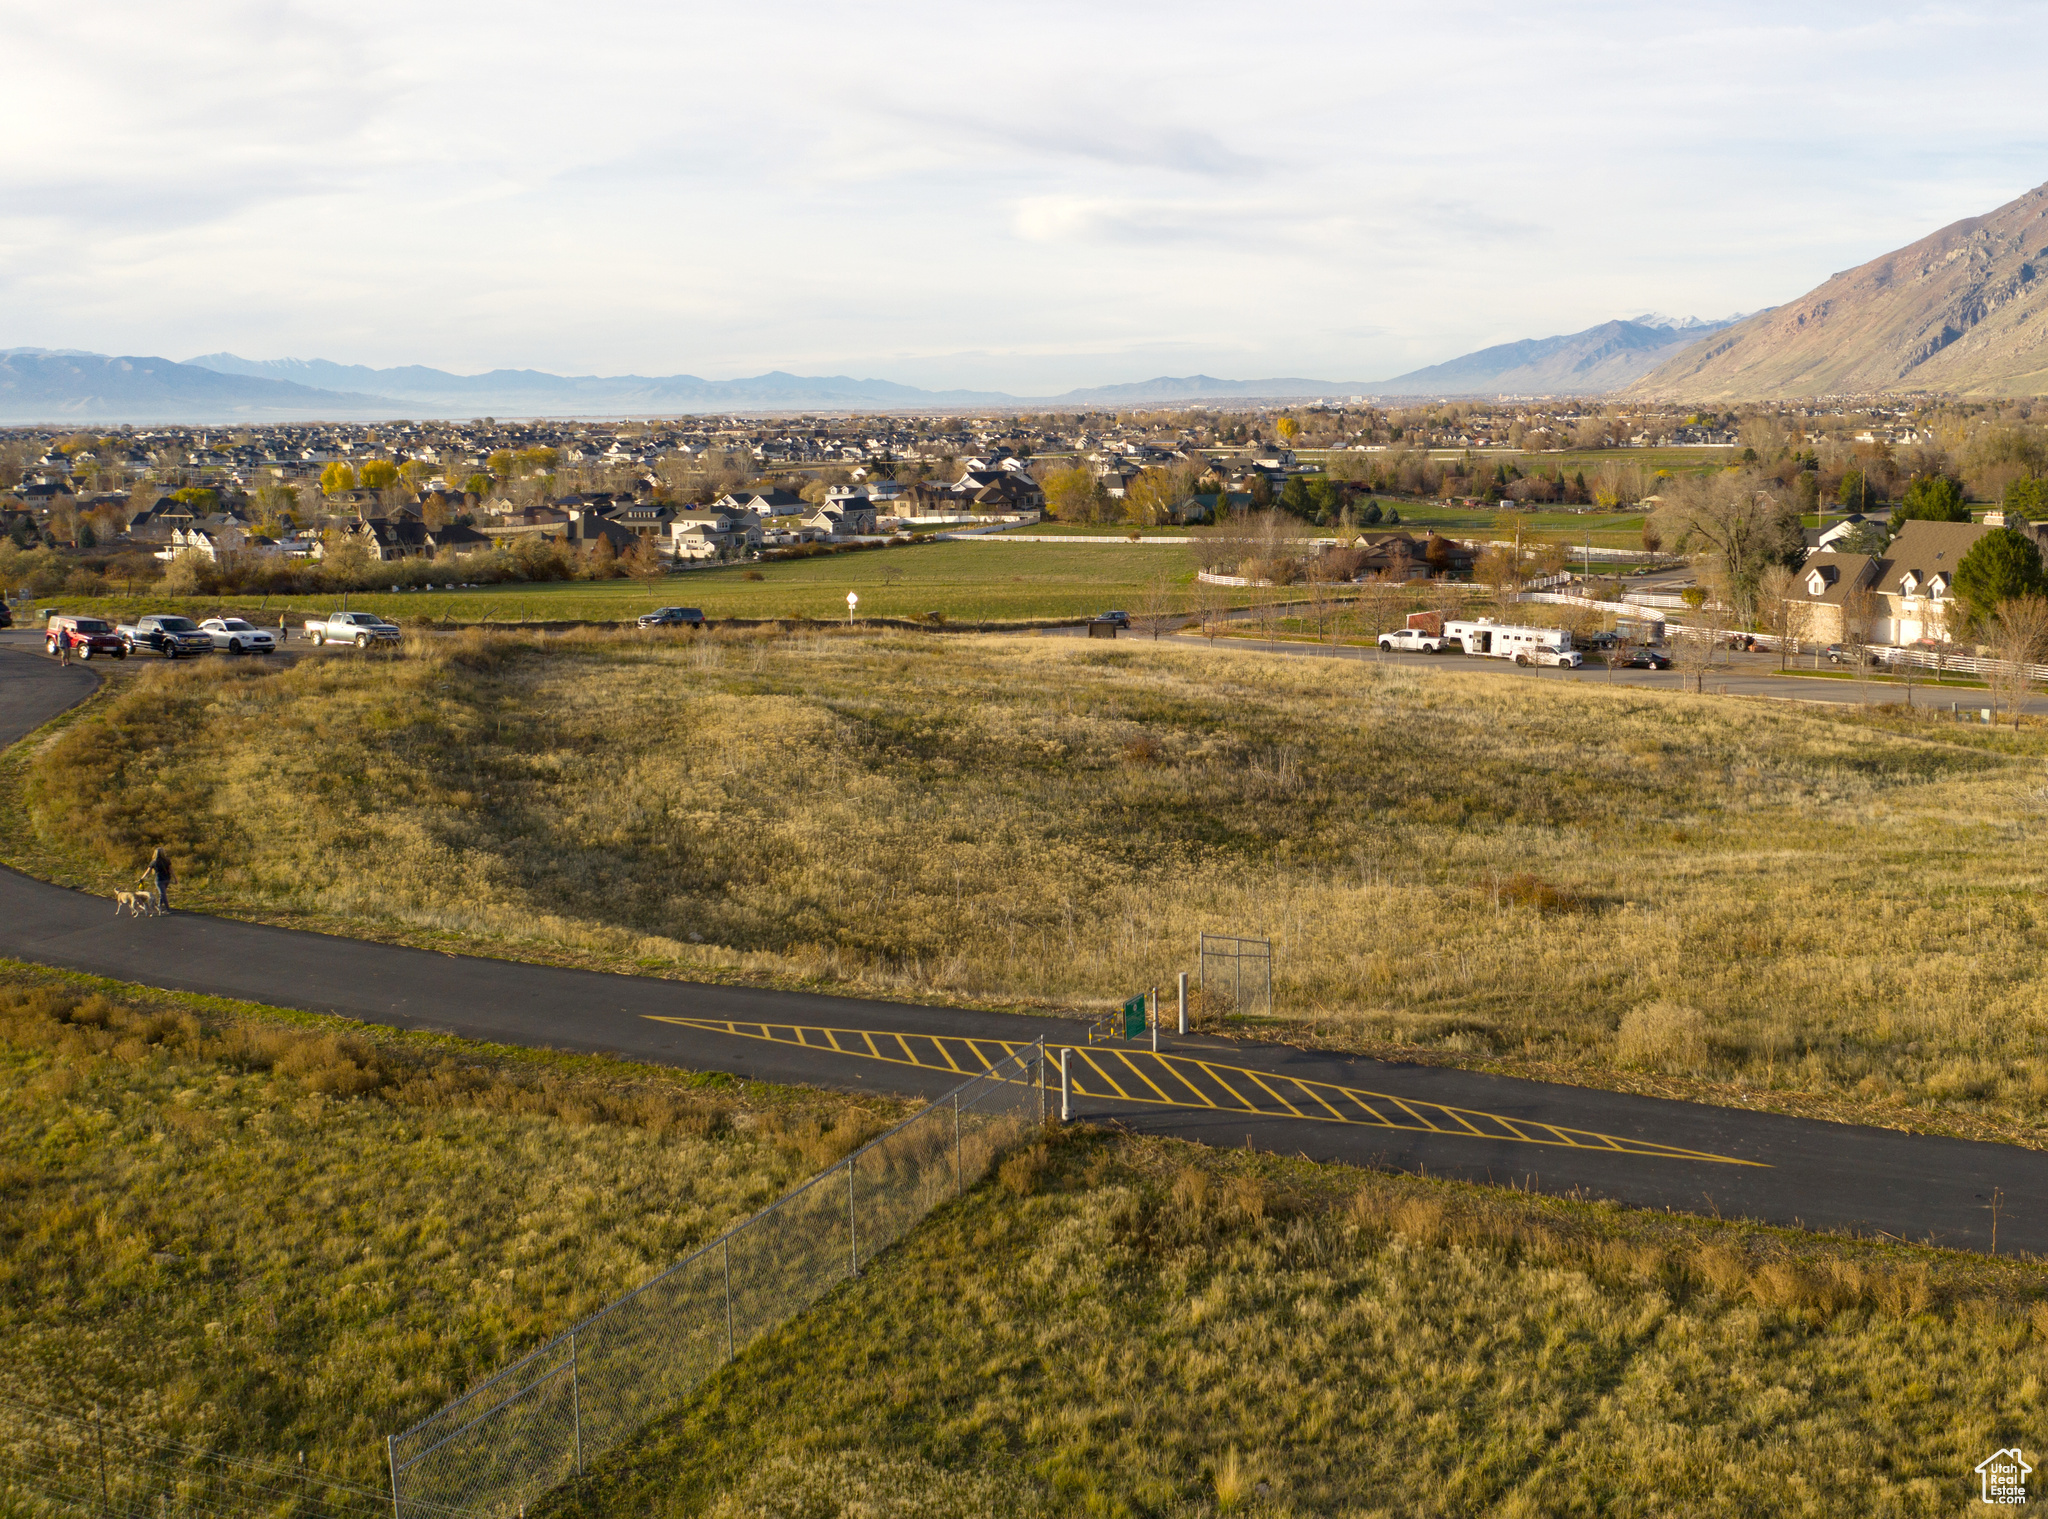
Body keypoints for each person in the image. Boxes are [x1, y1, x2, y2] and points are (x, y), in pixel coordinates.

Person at [140, 847, 171, 914]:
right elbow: (171, 870)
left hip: (159, 880)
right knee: (162, 893)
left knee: (162, 894)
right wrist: (175, 878)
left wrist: (142, 878)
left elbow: (148, 871)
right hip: (167, 879)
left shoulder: (154, 862)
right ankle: (159, 906)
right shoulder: (167, 860)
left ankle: (168, 909)